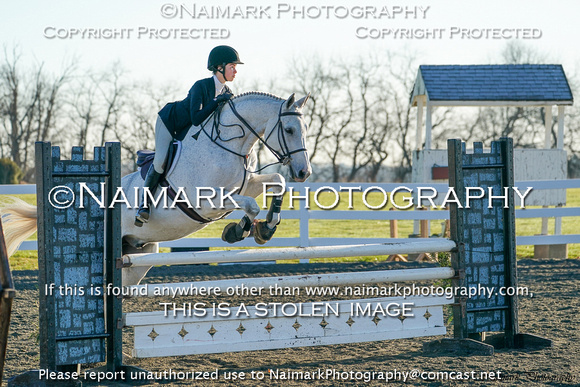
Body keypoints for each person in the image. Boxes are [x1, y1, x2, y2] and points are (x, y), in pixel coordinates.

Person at [135, 45, 243, 226]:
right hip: (170, 122)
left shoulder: (226, 93)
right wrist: (216, 102)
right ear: (219, 67)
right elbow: (196, 118)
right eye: (232, 66)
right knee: (161, 161)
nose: (235, 71)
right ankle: (143, 206)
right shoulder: (200, 86)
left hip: (188, 132)